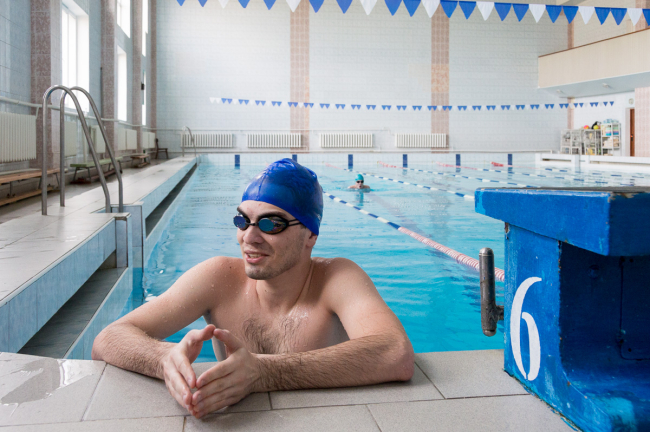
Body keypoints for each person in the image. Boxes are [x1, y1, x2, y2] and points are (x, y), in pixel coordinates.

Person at [92, 158, 414, 419]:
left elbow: (395, 352)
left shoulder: (337, 279)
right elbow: (108, 338)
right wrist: (164, 358)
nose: (249, 237)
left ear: (310, 235)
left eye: (271, 224)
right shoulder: (218, 277)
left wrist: (263, 372)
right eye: (242, 220)